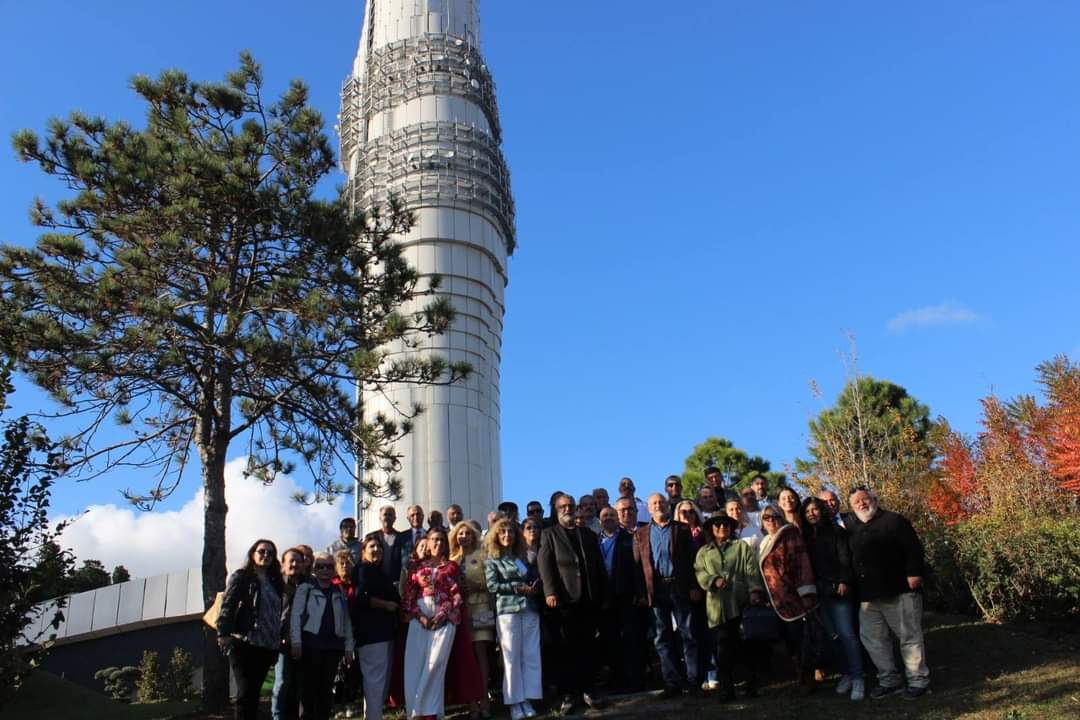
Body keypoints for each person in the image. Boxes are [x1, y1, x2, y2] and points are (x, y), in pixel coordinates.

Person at [847, 487, 930, 700]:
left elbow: (914, 549)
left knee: (909, 637)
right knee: (873, 640)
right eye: (857, 503)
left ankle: (918, 680)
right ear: (852, 508)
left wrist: (914, 573)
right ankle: (889, 679)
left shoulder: (894, 521)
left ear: (875, 499)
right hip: (868, 597)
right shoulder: (853, 529)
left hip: (900, 590)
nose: (862, 504)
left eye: (865, 499)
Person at [537, 493, 607, 714]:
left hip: (588, 598)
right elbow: (545, 564)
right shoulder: (549, 534)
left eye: (571, 506)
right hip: (563, 600)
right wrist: (549, 592)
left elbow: (599, 566)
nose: (568, 509)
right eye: (563, 506)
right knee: (565, 649)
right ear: (556, 510)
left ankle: (588, 690)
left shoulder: (587, 534)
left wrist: (603, 594)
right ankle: (568, 694)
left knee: (588, 646)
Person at [633, 493, 702, 697]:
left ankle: (693, 681)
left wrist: (694, 586)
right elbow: (638, 567)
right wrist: (642, 594)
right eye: (654, 503)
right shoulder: (641, 534)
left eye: (661, 502)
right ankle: (672, 682)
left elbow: (692, 561)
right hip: (656, 589)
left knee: (688, 634)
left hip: (679, 586)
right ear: (648, 507)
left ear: (667, 505)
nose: (658, 505)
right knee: (661, 637)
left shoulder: (681, 529)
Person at [694, 515, 766, 701]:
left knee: (745, 647)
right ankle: (727, 689)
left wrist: (754, 590)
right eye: (717, 524)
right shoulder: (704, 551)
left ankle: (751, 686)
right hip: (716, 609)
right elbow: (700, 572)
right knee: (722, 650)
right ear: (711, 528)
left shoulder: (741, 546)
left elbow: (751, 570)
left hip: (740, 604)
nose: (722, 527)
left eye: (726, 524)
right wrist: (713, 580)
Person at [802, 497, 864, 701]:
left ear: (822, 510)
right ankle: (846, 673)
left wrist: (844, 580)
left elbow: (846, 558)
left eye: (815, 509)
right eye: (808, 511)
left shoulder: (836, 532)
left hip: (838, 588)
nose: (812, 513)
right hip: (818, 591)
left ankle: (857, 677)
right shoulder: (806, 537)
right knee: (833, 635)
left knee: (847, 633)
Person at [218, 539, 284, 720]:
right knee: (245, 692)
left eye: (270, 553)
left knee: (254, 692)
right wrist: (223, 633)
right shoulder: (242, 577)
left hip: (267, 645)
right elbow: (228, 605)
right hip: (244, 641)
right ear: (253, 553)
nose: (266, 556)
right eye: (262, 551)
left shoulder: (275, 582)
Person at [401, 528, 463, 719]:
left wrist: (442, 614)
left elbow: (457, 595)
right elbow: (409, 594)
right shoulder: (417, 566)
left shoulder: (452, 566)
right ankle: (415, 710)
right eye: (434, 539)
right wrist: (420, 616)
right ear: (427, 542)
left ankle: (428, 712)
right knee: (415, 665)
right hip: (419, 619)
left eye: (441, 540)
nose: (437, 543)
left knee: (435, 664)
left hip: (444, 619)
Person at [758, 506, 820, 696]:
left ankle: (808, 677)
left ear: (781, 517)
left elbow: (802, 563)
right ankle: (799, 676)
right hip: (775, 599)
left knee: (801, 639)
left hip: (793, 596)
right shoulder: (765, 542)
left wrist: (806, 593)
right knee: (789, 641)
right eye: (766, 517)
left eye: (774, 516)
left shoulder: (790, 535)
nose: (770, 521)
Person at [485, 518, 542, 720]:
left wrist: (532, 586)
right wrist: (516, 588)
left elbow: (527, 577)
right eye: (503, 533)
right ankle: (514, 702)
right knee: (511, 658)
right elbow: (492, 586)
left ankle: (528, 698)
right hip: (508, 610)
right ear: (497, 537)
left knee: (530, 655)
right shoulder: (492, 560)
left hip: (529, 608)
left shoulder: (519, 558)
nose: (507, 535)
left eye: (510, 532)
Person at [290, 552, 354, 720]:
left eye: (329, 566)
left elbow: (346, 620)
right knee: (308, 692)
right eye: (321, 566)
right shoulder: (306, 588)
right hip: (310, 646)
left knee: (325, 692)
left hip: (333, 648)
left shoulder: (338, 590)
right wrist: (296, 642)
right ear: (314, 569)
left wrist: (348, 647)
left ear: (334, 570)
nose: (325, 570)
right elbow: (296, 616)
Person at [596, 505, 644, 693]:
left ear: (617, 518)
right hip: (604, 599)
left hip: (626, 595)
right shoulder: (594, 542)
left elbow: (638, 567)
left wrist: (638, 593)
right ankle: (617, 681)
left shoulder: (630, 538)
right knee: (611, 641)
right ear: (600, 520)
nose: (608, 518)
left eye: (611, 515)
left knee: (631, 639)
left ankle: (635, 680)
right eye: (604, 515)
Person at [351, 537, 401, 720]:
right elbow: (360, 597)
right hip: (371, 634)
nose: (376, 549)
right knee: (375, 682)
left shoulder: (380, 572)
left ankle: (372, 715)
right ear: (363, 551)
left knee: (379, 683)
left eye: (379, 546)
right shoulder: (362, 569)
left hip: (385, 632)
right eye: (371, 546)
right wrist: (386, 605)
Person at [450, 521, 495, 719]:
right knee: (466, 658)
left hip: (481, 607)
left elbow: (491, 580)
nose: (464, 537)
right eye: (460, 533)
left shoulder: (482, 555)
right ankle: (472, 703)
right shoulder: (452, 559)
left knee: (481, 654)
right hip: (460, 612)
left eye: (468, 533)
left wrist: (477, 586)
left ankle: (484, 698)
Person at [365, 505, 406, 583]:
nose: (387, 517)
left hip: (395, 582)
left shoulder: (402, 537)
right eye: (385, 514)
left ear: (394, 519)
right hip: (374, 580)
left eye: (390, 515)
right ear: (380, 518)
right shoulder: (371, 537)